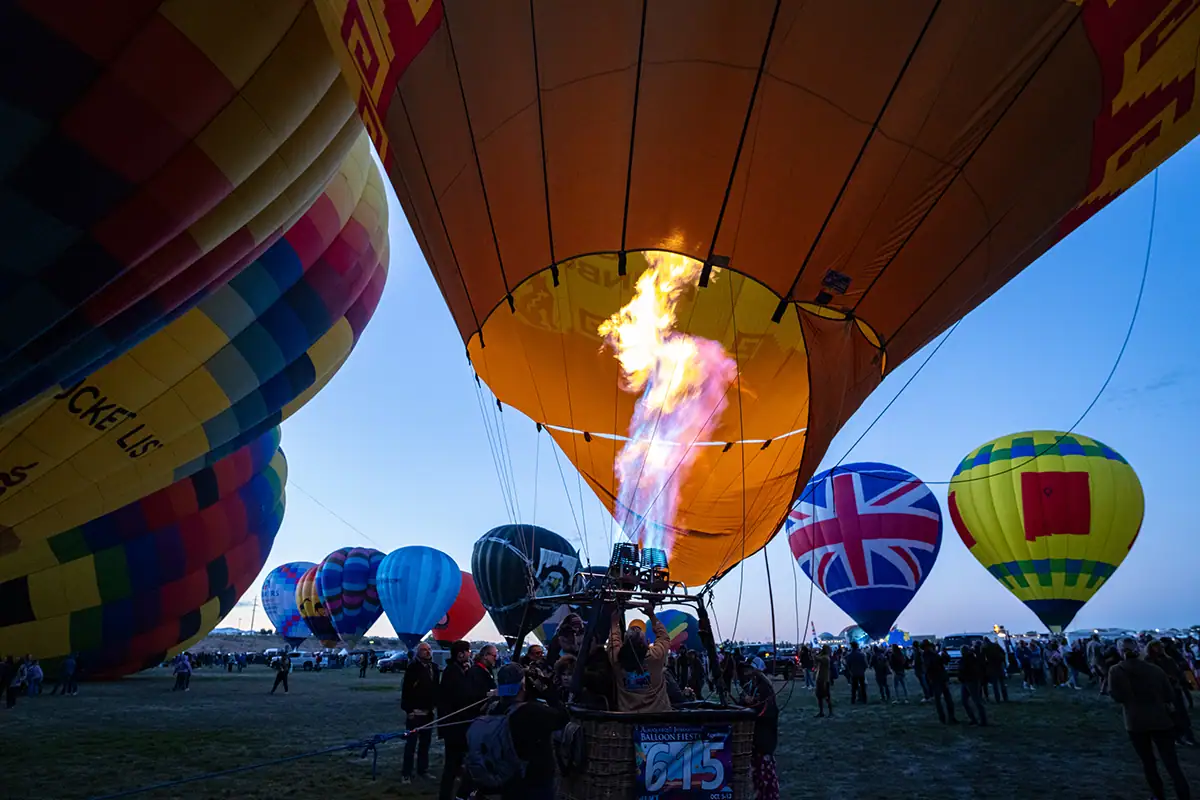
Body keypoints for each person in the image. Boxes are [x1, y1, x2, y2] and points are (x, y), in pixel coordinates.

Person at [471, 662, 569, 800]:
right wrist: (548, 691)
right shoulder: (532, 712)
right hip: (534, 781)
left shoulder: (493, 708)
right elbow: (563, 717)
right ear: (523, 686)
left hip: (506, 778)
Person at [1110, 638, 1191, 800]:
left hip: (1135, 722)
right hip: (1161, 719)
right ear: (1138, 650)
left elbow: (1117, 696)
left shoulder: (1116, 671)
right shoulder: (1155, 670)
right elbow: (1169, 695)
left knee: (1149, 763)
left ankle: (1158, 795)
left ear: (1120, 651)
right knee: (1171, 763)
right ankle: (1184, 795)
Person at [609, 606, 671, 713]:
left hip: (628, 719)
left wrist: (614, 622)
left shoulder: (617, 658)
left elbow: (613, 640)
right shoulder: (655, 656)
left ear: (625, 644)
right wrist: (652, 616)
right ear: (647, 643)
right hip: (658, 719)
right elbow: (663, 637)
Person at [737, 658, 780, 800]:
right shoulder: (750, 686)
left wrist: (753, 703)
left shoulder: (764, 688)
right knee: (757, 776)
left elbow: (767, 711)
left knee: (764, 777)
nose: (746, 672)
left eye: (749, 669)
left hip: (764, 739)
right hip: (756, 738)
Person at [438, 641, 476, 800]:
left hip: (460, 726)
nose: (470, 654)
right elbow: (459, 697)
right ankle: (445, 796)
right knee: (452, 765)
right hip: (454, 727)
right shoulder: (451, 672)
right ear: (460, 654)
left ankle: (462, 793)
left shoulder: (460, 670)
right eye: (468, 651)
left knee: (460, 764)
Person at [402, 642, 441, 783]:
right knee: (411, 744)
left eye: (429, 649)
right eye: (424, 650)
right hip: (415, 712)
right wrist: (409, 710)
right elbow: (406, 691)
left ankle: (422, 770)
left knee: (425, 743)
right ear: (418, 652)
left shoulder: (434, 668)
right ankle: (406, 773)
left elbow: (436, 688)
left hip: (429, 712)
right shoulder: (413, 668)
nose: (427, 652)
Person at [923, 641, 957, 724]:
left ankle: (947, 718)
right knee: (942, 699)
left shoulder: (932, 655)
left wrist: (944, 655)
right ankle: (946, 718)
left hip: (938, 678)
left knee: (944, 699)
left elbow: (945, 661)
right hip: (936, 678)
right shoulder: (929, 655)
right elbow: (932, 665)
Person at [958, 642, 988, 726]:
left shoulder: (970, 659)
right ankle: (975, 719)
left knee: (976, 701)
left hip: (971, 681)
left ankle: (982, 720)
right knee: (966, 701)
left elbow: (970, 670)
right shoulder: (969, 658)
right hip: (967, 681)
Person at [814, 644, 833, 717]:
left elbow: (817, 658)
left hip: (824, 680)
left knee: (826, 696)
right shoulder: (825, 657)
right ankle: (822, 712)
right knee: (820, 696)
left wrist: (814, 653)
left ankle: (829, 712)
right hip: (821, 679)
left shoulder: (825, 658)